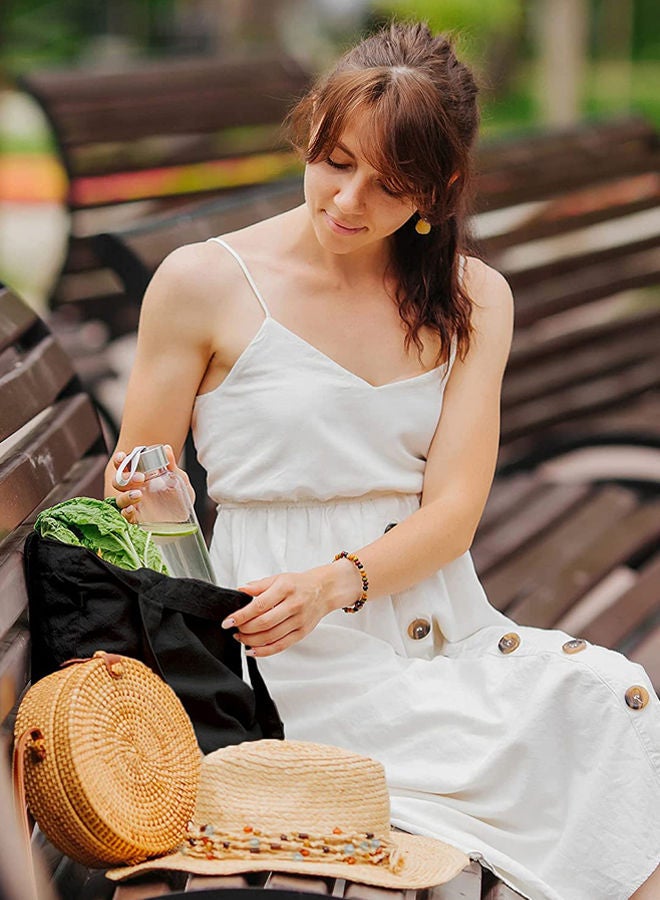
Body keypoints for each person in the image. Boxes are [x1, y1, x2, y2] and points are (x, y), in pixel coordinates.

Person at [106, 22, 660, 900]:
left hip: (429, 622)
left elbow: (454, 511)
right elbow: (138, 497)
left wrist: (337, 582)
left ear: (437, 191)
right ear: (310, 133)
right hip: (277, 642)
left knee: (613, 701)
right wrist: (151, 498)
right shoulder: (202, 282)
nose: (348, 200)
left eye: (390, 184)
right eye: (334, 162)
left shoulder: (472, 297)